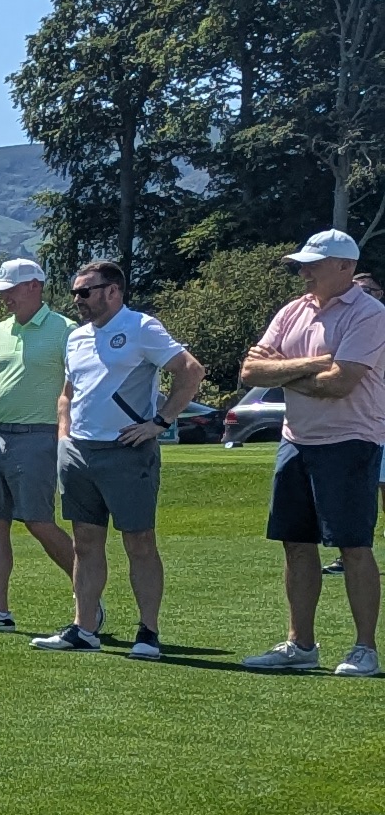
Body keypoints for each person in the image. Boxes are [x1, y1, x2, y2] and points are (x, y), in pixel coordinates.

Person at [34, 259, 202, 657]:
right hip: (79, 453)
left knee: (139, 541)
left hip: (127, 452)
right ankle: (84, 628)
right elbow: (67, 394)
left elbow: (191, 371)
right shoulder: (76, 337)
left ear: (112, 291)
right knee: (85, 543)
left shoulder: (142, 327)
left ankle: (148, 633)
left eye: (84, 292)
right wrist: (63, 437)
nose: (77, 299)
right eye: (75, 292)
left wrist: (160, 422)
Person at [235, 225, 385, 674]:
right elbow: (250, 372)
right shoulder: (292, 310)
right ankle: (300, 645)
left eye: (313, 266)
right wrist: (315, 364)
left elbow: (341, 383)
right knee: (296, 543)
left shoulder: (370, 313)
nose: (304, 273)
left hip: (350, 441)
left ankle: (365, 649)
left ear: (345, 267)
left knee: (353, 546)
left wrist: (284, 372)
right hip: (295, 441)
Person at [0, 257, 78, 632]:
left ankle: (87, 596)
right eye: (1, 292)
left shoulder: (66, 331)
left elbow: (78, 388)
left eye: (10, 290)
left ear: (34, 287)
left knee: (38, 521)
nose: (4, 298)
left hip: (39, 436)